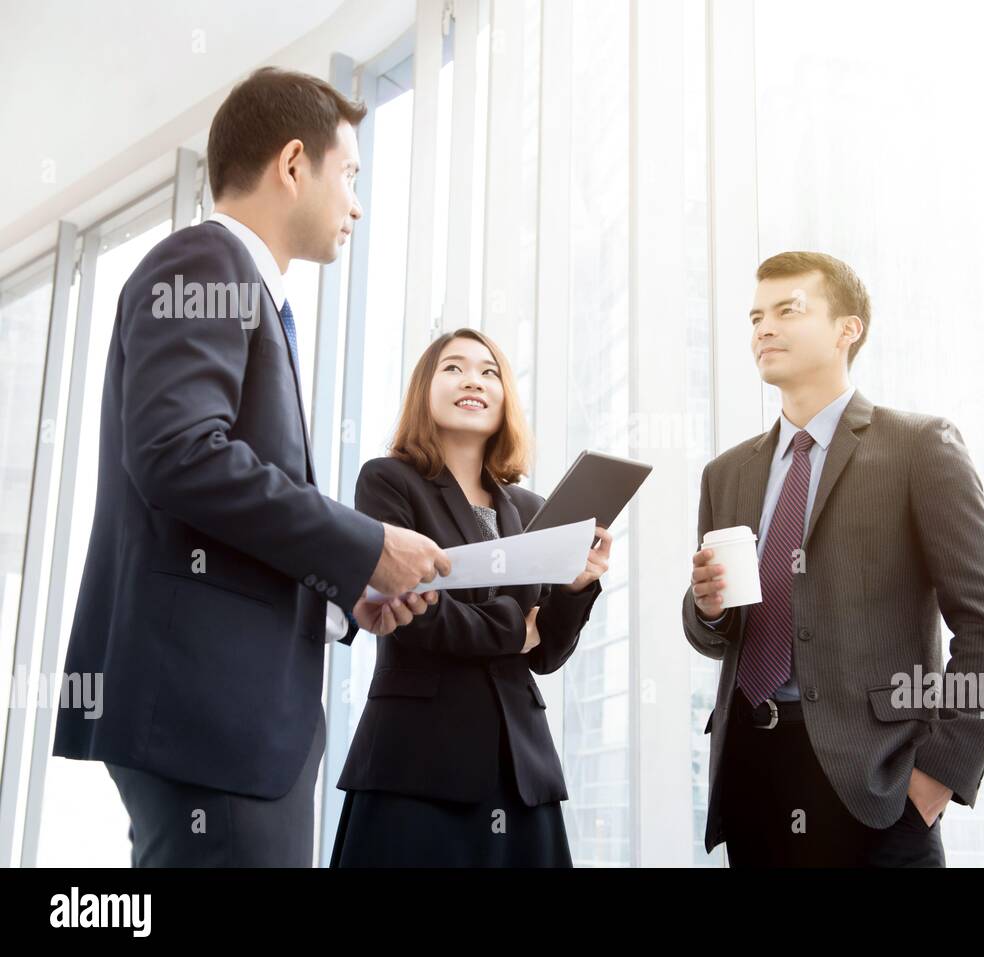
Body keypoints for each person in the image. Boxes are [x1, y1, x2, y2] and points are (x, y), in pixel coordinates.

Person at [52, 67, 448, 867]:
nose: (358, 206)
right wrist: (365, 542)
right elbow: (179, 454)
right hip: (212, 720)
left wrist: (343, 593)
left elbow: (218, 492)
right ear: (294, 164)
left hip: (225, 722)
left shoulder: (246, 291)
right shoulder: (207, 263)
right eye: (351, 176)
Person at [683, 251, 984, 867]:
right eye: (755, 316)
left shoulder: (920, 446)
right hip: (753, 776)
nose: (764, 328)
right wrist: (706, 609)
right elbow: (717, 636)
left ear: (847, 328)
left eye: (788, 310)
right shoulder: (725, 473)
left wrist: (937, 777)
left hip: (877, 784)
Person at [330, 328, 609, 867]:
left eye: (489, 371)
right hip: (417, 764)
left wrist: (576, 587)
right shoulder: (388, 482)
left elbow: (545, 653)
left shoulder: (531, 508)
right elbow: (409, 610)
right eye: (453, 368)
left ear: (505, 397)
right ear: (425, 391)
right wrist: (515, 628)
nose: (472, 381)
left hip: (520, 767)